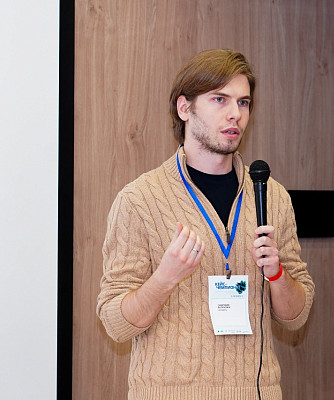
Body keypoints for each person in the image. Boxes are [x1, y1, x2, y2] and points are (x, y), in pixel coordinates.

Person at [97, 49, 315, 400]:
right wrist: (165, 277)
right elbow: (116, 324)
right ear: (185, 108)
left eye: (243, 103)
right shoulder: (139, 200)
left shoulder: (271, 196)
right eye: (219, 99)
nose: (235, 114)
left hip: (255, 392)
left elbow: (295, 317)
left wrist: (277, 275)